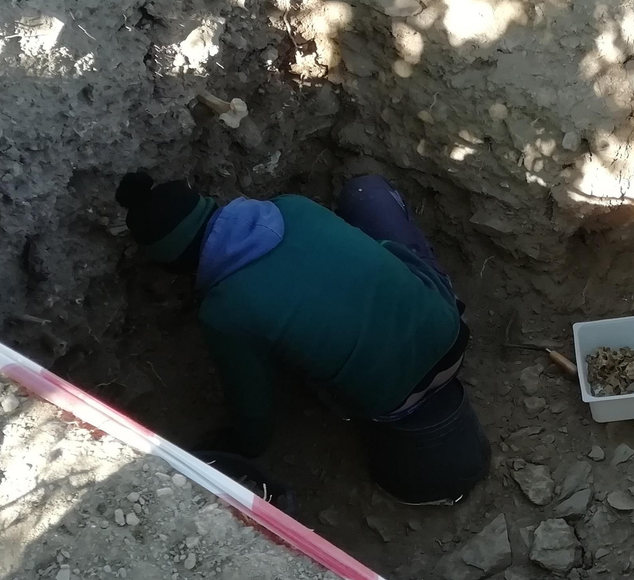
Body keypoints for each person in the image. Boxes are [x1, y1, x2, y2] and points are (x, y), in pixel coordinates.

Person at [114, 170, 490, 506]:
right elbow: (387, 254)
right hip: (450, 332)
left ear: (175, 265)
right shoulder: (291, 207)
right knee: (367, 192)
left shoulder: (225, 313)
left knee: (293, 349)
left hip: (390, 403)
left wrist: (241, 445)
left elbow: (253, 408)